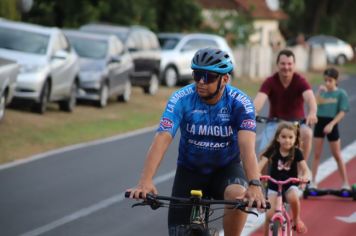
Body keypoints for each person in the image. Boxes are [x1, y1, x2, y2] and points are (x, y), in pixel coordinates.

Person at [127, 48, 266, 236]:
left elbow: (246, 148)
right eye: (197, 74)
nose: (200, 81)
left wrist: (255, 185)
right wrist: (145, 180)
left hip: (225, 169)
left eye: (208, 77)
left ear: (224, 79)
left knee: (237, 196)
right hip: (190, 170)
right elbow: (163, 137)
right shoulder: (181, 98)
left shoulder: (240, 103)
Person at [254, 49, 318, 161]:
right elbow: (259, 100)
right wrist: (253, 111)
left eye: (289, 64)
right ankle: (263, 179)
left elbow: (310, 98)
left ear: (294, 65)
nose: (286, 67)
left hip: (297, 124)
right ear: (277, 65)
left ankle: (301, 169)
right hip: (275, 123)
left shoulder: (300, 81)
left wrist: (312, 112)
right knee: (263, 153)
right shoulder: (270, 81)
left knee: (307, 133)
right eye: (283, 63)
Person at [258, 122, 310, 235]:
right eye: (284, 137)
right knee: (269, 215)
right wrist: (256, 173)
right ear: (277, 138)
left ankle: (296, 219)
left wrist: (304, 176)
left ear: (295, 139)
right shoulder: (273, 151)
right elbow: (260, 165)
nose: (287, 140)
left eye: (291, 137)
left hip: (290, 184)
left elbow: (305, 169)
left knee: (293, 198)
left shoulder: (297, 152)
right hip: (273, 186)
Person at [310, 68, 350, 189]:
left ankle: (345, 183)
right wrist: (317, 93)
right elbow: (313, 107)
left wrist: (332, 124)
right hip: (319, 123)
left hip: (331, 124)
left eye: (330, 81)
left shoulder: (341, 94)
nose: (327, 83)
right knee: (316, 154)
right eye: (325, 80)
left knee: (337, 154)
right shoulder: (322, 92)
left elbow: (343, 112)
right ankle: (313, 181)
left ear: (336, 80)